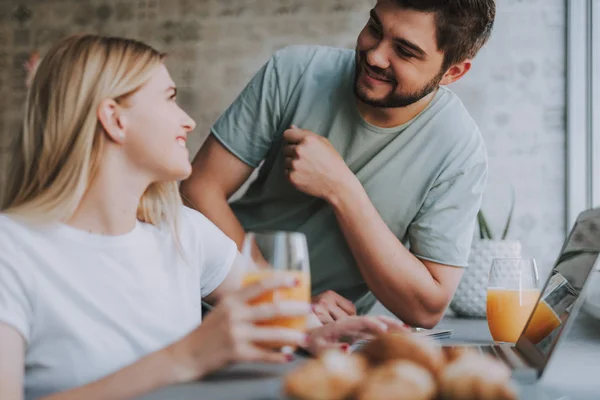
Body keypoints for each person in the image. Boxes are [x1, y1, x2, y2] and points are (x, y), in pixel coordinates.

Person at [0, 34, 404, 400]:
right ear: (114, 118)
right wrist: (183, 358)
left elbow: (272, 312)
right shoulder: (12, 251)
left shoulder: (183, 231)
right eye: (169, 97)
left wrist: (314, 333)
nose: (188, 121)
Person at [180, 0, 496, 327]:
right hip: (204, 301)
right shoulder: (293, 71)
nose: (374, 56)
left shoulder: (460, 151)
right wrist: (283, 301)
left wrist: (342, 189)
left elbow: (426, 309)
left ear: (452, 72)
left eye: (404, 51)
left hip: (326, 335)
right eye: (375, 28)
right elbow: (198, 189)